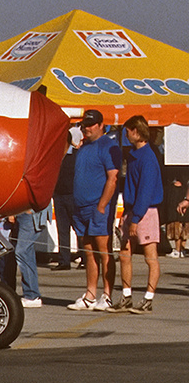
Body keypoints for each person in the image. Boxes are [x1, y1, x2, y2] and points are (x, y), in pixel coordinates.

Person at [69, 110, 119, 312]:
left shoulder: (108, 146)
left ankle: (107, 295)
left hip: (96, 207)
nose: (86, 129)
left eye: (90, 125)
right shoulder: (83, 147)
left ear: (101, 125)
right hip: (80, 207)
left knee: (103, 251)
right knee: (88, 252)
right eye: (84, 125)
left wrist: (101, 206)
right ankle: (90, 294)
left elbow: (113, 178)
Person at [115, 116, 163, 313]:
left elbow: (145, 190)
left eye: (128, 131)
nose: (126, 135)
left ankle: (148, 299)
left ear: (136, 131)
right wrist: (126, 214)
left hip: (146, 211)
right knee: (124, 253)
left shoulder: (148, 157)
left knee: (150, 256)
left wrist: (135, 219)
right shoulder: (134, 155)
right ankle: (126, 295)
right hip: (132, 209)